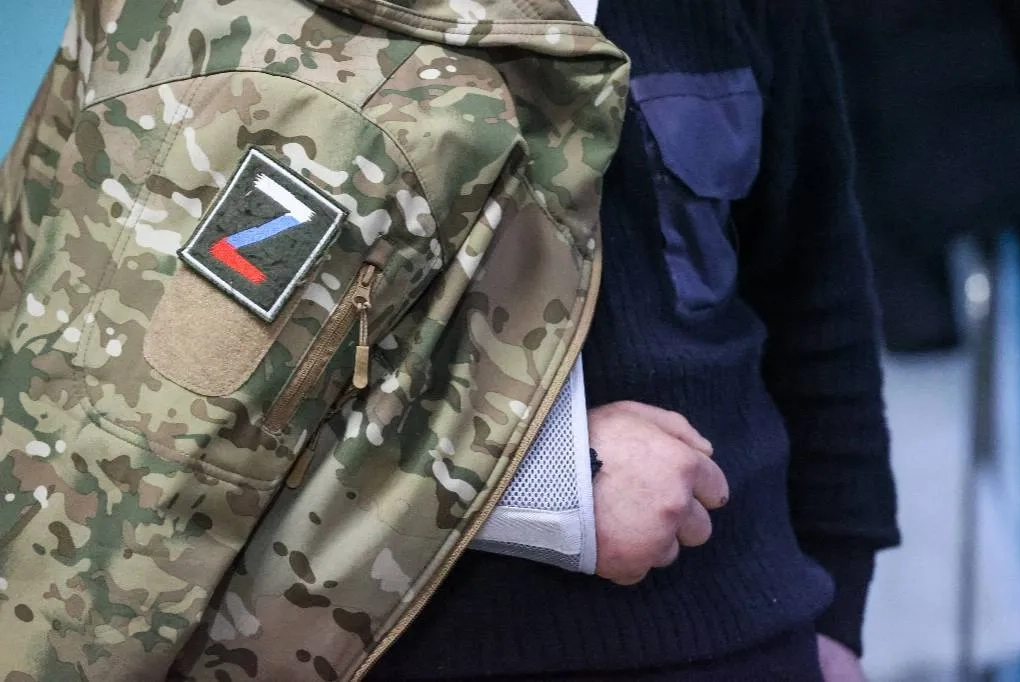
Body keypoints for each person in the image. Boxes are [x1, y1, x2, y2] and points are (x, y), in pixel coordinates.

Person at [365, 0, 901, 679]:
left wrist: (838, 610)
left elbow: (815, 289)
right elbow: (235, 392)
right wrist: (545, 478)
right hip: (389, 638)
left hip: (746, 624)